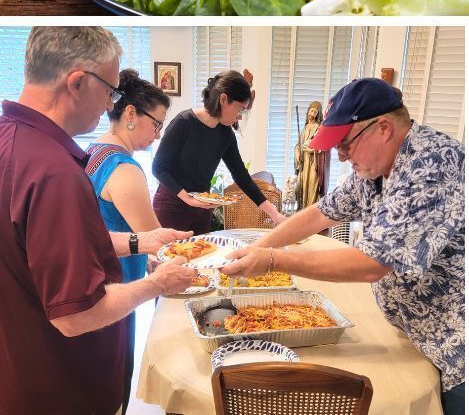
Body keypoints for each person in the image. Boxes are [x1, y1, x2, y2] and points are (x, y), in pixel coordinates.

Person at [221, 78, 465, 415]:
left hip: (454, 347)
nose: (341, 155)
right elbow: (320, 213)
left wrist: (274, 260)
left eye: (346, 143)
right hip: (414, 333)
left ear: (383, 128)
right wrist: (258, 248)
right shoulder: (374, 168)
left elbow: (372, 264)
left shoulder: (432, 162)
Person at [0, 27, 196, 414]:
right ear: (76, 83)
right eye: (109, 90)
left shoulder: (12, 141)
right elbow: (76, 314)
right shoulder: (54, 173)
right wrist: (156, 283)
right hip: (65, 386)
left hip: (20, 374)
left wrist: (140, 242)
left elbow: (42, 248)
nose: (109, 102)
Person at [86, 68, 171, 414]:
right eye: (157, 124)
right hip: (117, 286)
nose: (158, 134)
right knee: (113, 386)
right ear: (131, 114)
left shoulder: (93, 151)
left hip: (99, 280)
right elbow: (157, 239)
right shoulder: (125, 169)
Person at [152, 69, 286, 232]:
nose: (240, 116)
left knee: (202, 256)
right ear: (224, 99)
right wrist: (188, 199)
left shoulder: (225, 134)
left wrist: (275, 215)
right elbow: (158, 167)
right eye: (239, 109)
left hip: (202, 208)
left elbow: (242, 177)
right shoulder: (184, 123)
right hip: (172, 206)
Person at [294, 99, 325, 209]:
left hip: (313, 163)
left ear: (318, 114)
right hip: (303, 163)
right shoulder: (304, 128)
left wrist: (312, 151)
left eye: (315, 112)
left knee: (312, 186)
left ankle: (310, 211)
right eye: (311, 111)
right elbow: (298, 144)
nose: (312, 114)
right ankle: (302, 210)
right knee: (302, 187)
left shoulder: (319, 128)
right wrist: (297, 153)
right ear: (308, 112)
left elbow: (322, 146)